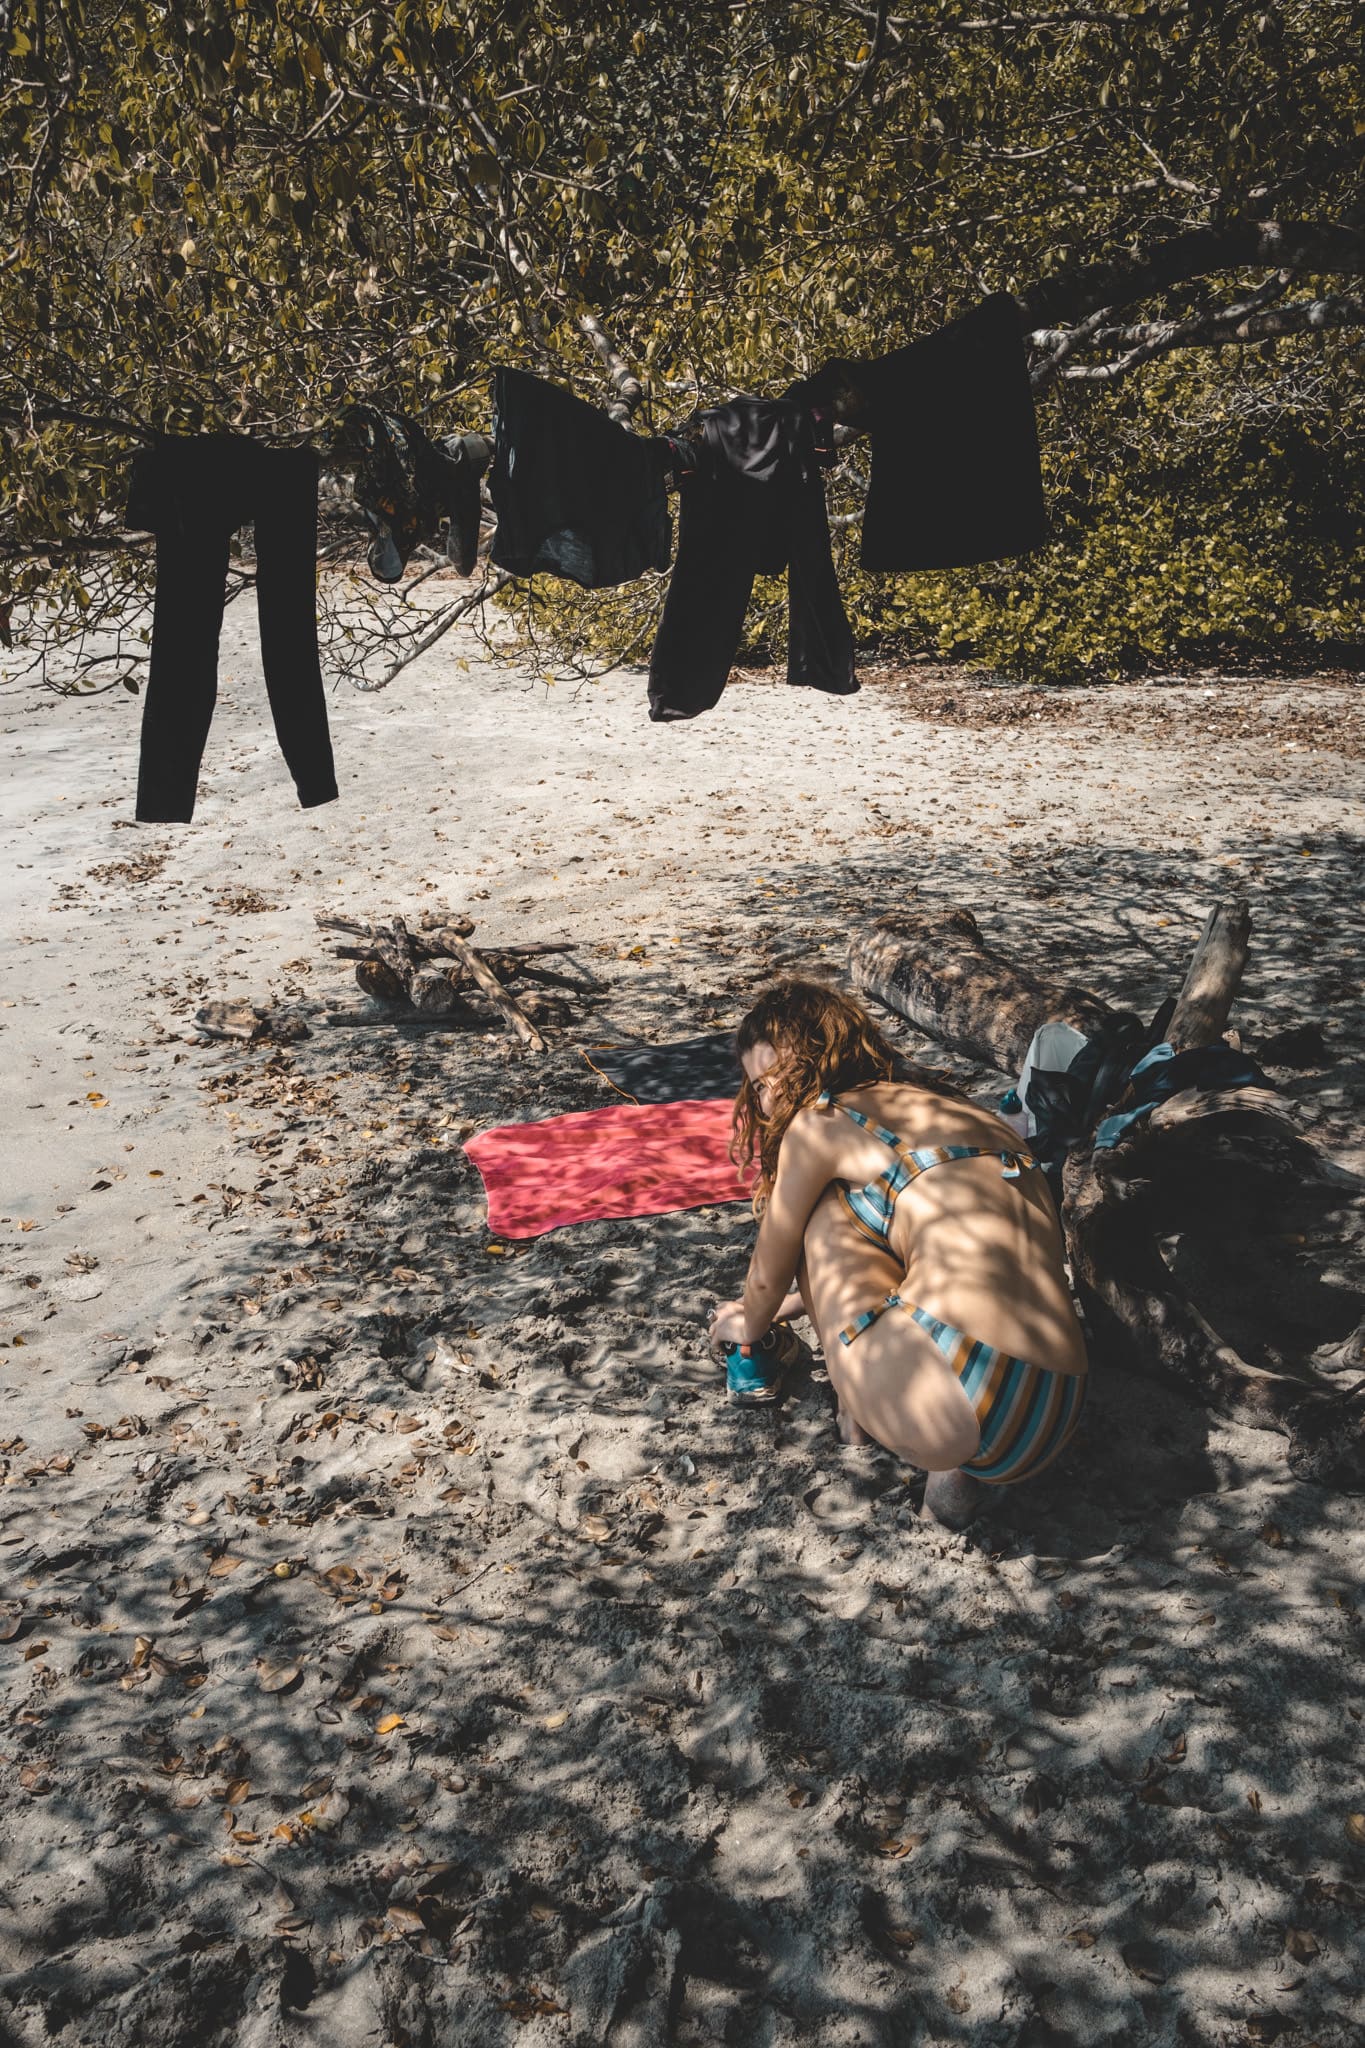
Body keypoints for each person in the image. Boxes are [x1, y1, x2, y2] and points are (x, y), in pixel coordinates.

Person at [707, 980, 1088, 1526]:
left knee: (819, 1214)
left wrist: (742, 1325)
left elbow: (769, 1275)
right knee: (887, 1230)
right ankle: (951, 1484)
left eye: (764, 1082)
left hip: (954, 1403)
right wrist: (795, 1306)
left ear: (801, 1069)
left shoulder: (821, 1122)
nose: (763, 1099)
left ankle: (852, 1419)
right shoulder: (959, 1110)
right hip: (1056, 1404)